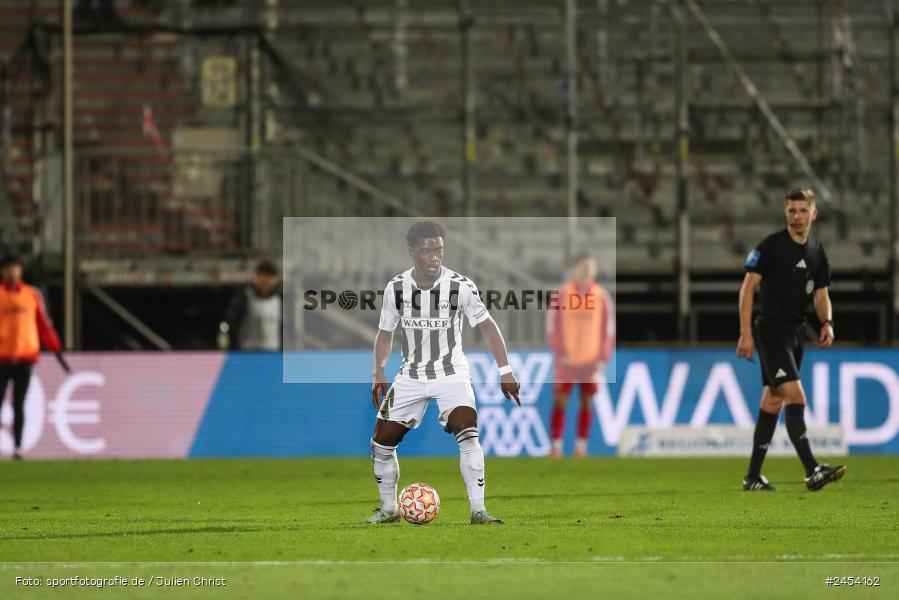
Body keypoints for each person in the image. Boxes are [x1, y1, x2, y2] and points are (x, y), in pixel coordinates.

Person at [368, 220, 521, 525]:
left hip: (452, 373)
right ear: (412, 252)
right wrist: (378, 370)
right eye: (426, 251)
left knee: (468, 433)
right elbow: (385, 333)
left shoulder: (460, 286)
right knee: (382, 443)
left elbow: (488, 326)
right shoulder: (396, 288)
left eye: (438, 250)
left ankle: (478, 510)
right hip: (410, 375)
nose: (434, 256)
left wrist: (505, 370)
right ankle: (389, 509)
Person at [737, 186, 845, 491]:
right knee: (796, 398)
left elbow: (821, 293)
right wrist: (746, 333)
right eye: (791, 211)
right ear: (785, 212)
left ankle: (752, 477)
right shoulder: (771, 247)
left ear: (814, 213)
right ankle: (812, 470)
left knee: (773, 400)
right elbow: (747, 290)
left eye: (802, 211)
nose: (796, 217)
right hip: (771, 331)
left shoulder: (816, 252)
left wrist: (827, 322)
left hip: (795, 334)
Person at [546, 252, 615, 457]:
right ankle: (556, 447)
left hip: (590, 360)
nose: (587, 271)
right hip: (566, 360)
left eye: (591, 267)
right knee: (560, 399)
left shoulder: (602, 296)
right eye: (584, 267)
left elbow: (608, 330)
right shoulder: (563, 294)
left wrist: (602, 357)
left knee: (586, 400)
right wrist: (561, 352)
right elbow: (552, 328)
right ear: (575, 268)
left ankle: (581, 447)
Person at [0, 255, 64, 460]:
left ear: (20, 270)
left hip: (25, 357)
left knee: (19, 404)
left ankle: (18, 447)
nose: (12, 272)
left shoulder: (32, 294)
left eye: (15, 268)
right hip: (1, 357)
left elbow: (43, 323)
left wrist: (55, 346)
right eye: (8, 268)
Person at [219, 260, 282, 351]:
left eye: (269, 276)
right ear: (256, 277)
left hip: (273, 352)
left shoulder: (279, 299)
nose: (265, 280)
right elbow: (231, 322)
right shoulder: (244, 297)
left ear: (275, 279)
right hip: (248, 352)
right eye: (262, 276)